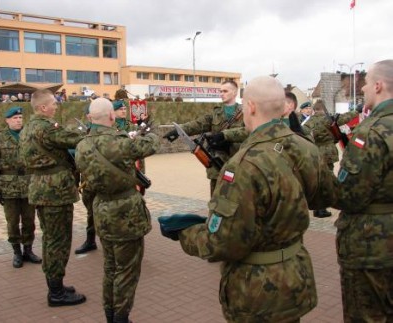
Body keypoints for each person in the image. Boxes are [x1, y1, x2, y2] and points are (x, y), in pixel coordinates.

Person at [159, 76, 331, 322]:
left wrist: (185, 233)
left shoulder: (241, 167)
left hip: (256, 289)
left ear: (249, 106)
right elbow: (322, 198)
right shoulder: (307, 149)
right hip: (295, 277)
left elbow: (223, 242)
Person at [75, 98, 159, 323]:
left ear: (91, 118)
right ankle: (121, 318)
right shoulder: (120, 141)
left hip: (101, 209)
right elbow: (151, 144)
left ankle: (110, 315)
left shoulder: (82, 145)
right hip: (126, 214)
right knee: (127, 271)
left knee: (110, 268)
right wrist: (150, 132)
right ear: (112, 116)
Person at [329, 59, 393, 322]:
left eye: (366, 83)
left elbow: (348, 194)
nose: (363, 89)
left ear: (378, 86)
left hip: (372, 246)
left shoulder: (371, 130)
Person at [19, 89, 86, 307]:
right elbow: (74, 139)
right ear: (42, 108)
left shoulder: (27, 127)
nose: (56, 107)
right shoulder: (45, 128)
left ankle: (56, 285)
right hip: (55, 191)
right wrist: (93, 131)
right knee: (58, 241)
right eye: (53, 104)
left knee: (50, 238)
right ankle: (56, 293)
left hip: (40, 188)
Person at [164, 80, 244, 196]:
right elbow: (197, 124)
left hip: (237, 162)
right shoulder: (215, 113)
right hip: (218, 163)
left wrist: (227, 136)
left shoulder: (244, 112)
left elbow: (249, 132)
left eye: (225, 91)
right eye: (220, 91)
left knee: (235, 196)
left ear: (235, 92)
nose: (221, 94)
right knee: (216, 197)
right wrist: (178, 131)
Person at [0, 107, 42, 269]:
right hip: (8, 187)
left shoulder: (29, 136)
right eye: (15, 118)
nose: (18, 120)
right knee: (12, 222)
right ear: (7, 120)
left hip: (28, 186)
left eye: (20, 117)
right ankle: (17, 252)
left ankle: (28, 250)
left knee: (29, 221)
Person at [303, 99, 358, 218]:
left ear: (314, 109)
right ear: (324, 109)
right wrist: (356, 111)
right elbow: (344, 118)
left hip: (315, 152)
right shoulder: (327, 119)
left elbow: (304, 134)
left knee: (317, 180)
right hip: (327, 152)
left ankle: (317, 208)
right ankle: (322, 208)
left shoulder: (309, 122)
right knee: (327, 180)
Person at [74, 106, 97, 255]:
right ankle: (90, 240)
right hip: (87, 181)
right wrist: (76, 181)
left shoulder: (111, 131)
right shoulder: (82, 133)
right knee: (91, 212)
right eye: (91, 114)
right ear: (88, 116)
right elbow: (76, 159)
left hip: (105, 181)